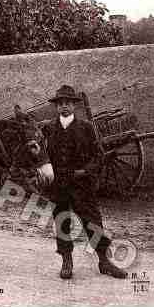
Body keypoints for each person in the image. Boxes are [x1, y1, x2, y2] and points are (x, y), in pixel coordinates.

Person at [42, 85, 127, 280]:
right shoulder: (48, 129)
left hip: (82, 185)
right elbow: (42, 155)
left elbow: (98, 156)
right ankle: (66, 262)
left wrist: (84, 171)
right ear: (56, 107)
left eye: (68, 103)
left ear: (74, 106)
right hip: (58, 186)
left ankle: (104, 261)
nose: (64, 107)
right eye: (60, 104)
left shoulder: (86, 128)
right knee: (62, 223)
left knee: (93, 222)